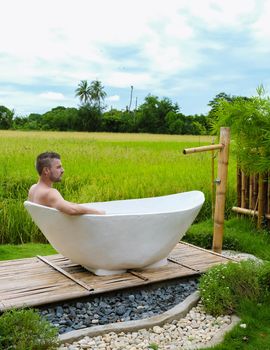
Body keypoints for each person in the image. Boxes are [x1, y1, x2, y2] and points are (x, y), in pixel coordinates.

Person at [28, 151, 105, 215]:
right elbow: (72, 210)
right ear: (46, 171)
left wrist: (76, 205)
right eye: (58, 167)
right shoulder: (50, 193)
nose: (63, 170)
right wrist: (97, 212)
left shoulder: (33, 188)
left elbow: (63, 203)